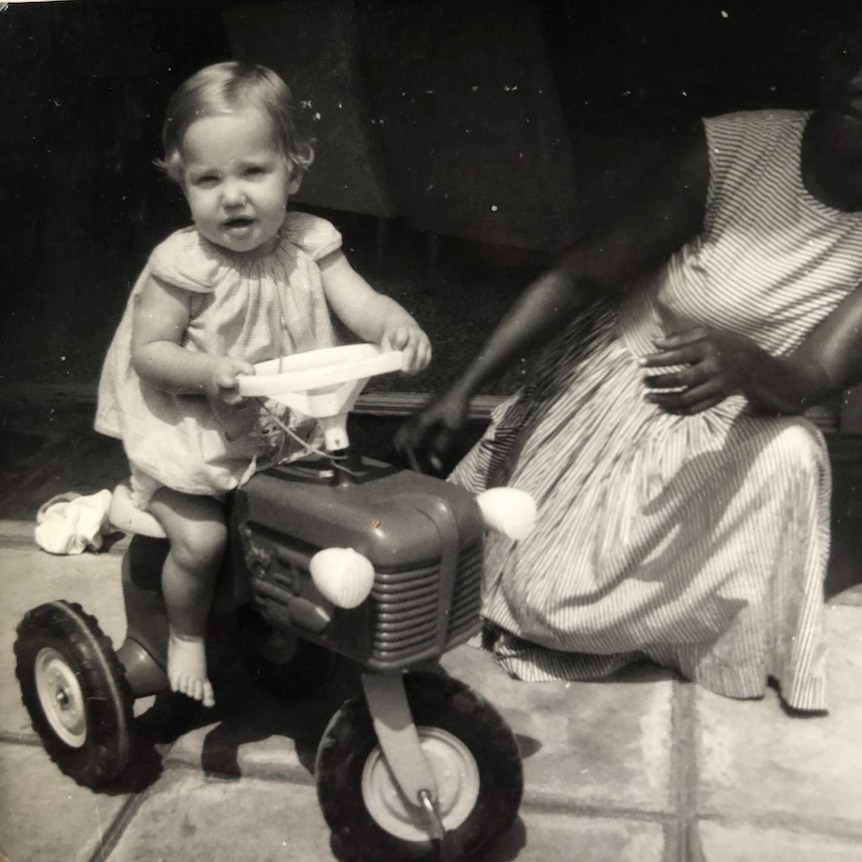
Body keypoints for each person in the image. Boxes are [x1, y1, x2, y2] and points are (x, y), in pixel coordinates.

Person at [395, 31, 862, 713]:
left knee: (794, 452)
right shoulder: (736, 147)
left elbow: (813, 375)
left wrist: (742, 362)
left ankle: (682, 619)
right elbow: (585, 270)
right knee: (542, 601)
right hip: (618, 397)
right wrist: (464, 386)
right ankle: (645, 601)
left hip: (742, 427)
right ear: (829, 63)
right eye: (855, 59)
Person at [96, 62, 431, 707]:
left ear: (293, 172)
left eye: (253, 172)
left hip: (279, 433)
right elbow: (150, 354)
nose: (231, 196)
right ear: (182, 182)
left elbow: (360, 303)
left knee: (324, 510)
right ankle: (186, 637)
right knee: (204, 539)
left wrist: (395, 326)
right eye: (208, 179)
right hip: (194, 443)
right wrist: (207, 371)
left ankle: (298, 620)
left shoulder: (311, 243)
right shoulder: (183, 264)